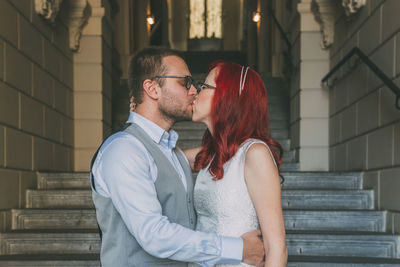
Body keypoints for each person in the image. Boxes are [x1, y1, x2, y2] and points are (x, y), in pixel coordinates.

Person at [90, 47, 265, 267]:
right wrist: (238, 249)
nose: (194, 91)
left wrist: (240, 118)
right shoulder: (123, 151)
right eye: (185, 83)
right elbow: (154, 235)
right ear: (152, 88)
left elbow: (224, 152)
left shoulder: (170, 152)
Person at [187, 61, 288, 267]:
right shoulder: (211, 154)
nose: (195, 92)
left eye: (204, 87)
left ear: (227, 97)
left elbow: (276, 248)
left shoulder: (254, 154)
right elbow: (163, 157)